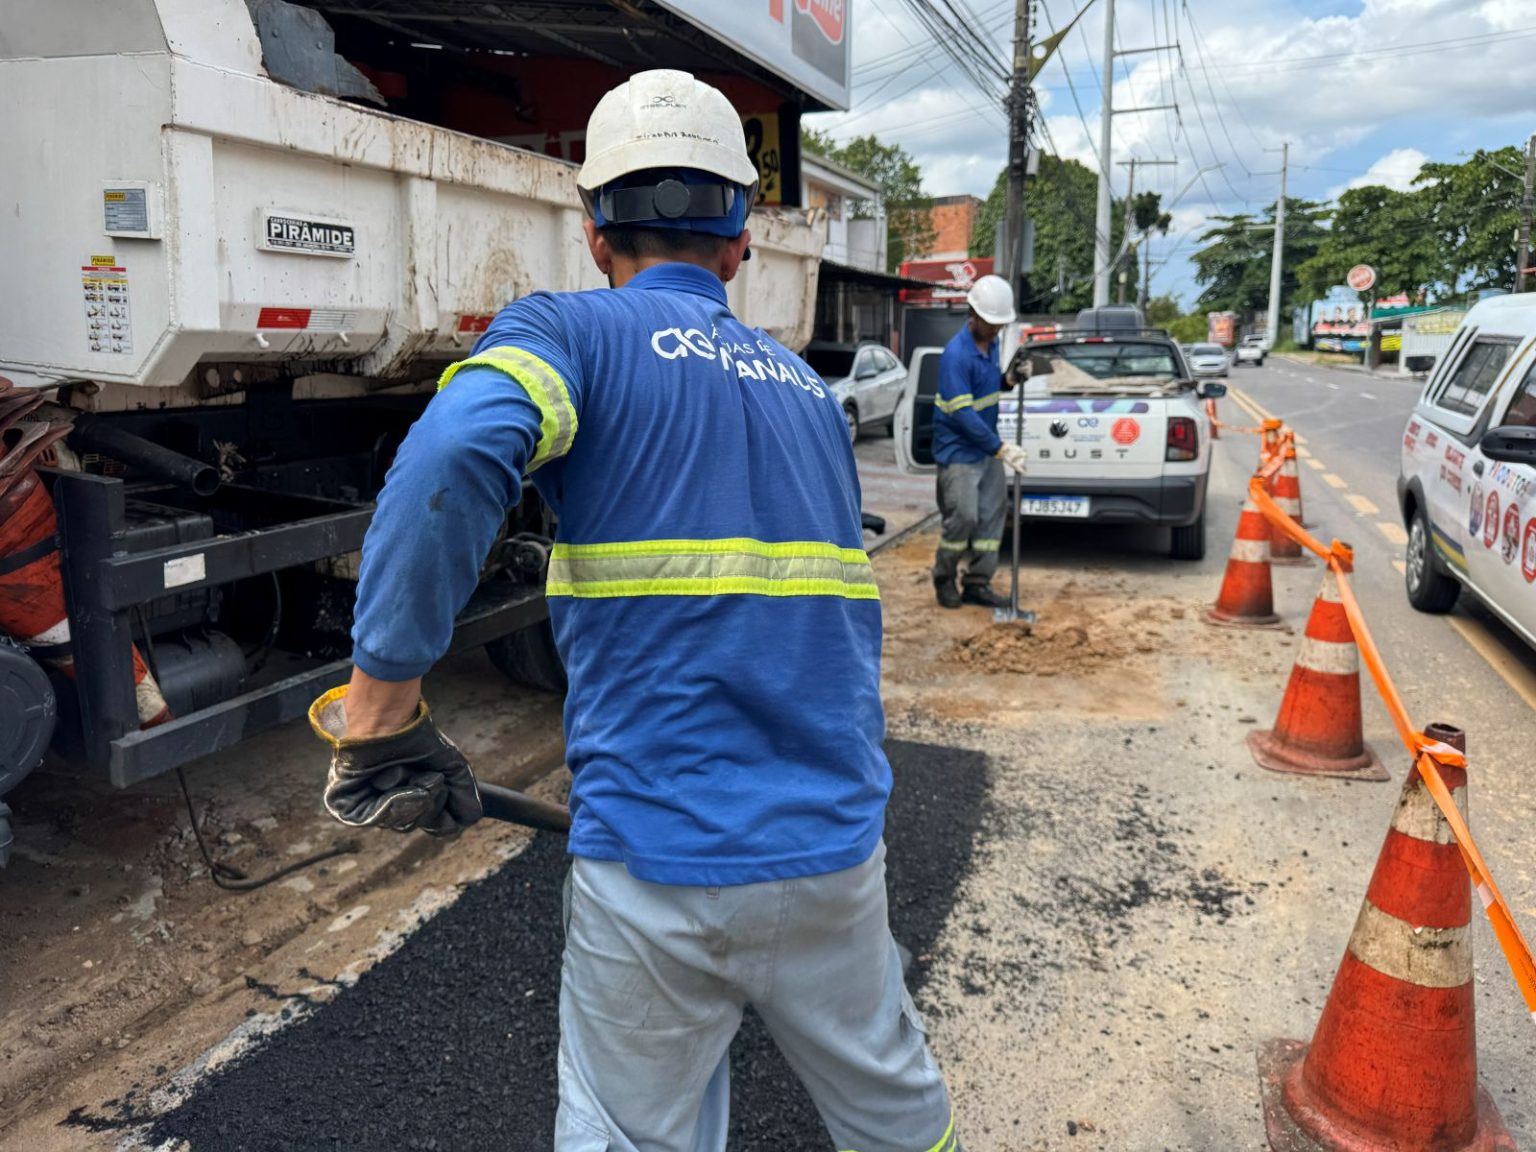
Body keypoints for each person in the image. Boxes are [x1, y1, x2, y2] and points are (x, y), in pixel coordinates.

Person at [308, 69, 963, 1152]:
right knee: (901, 1123)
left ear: (592, 227)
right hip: (836, 849)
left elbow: (461, 450)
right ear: (741, 239)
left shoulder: (572, 334)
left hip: (655, 861)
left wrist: (380, 712)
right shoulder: (805, 395)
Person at [931, 275, 1028, 609]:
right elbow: (964, 415)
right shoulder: (955, 356)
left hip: (987, 449)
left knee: (990, 519)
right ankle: (943, 577)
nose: (997, 331)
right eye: (992, 324)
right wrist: (1000, 448)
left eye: (1001, 325)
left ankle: (977, 582)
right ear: (972, 313)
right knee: (965, 518)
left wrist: (1010, 379)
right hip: (960, 454)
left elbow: (988, 389)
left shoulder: (994, 343)